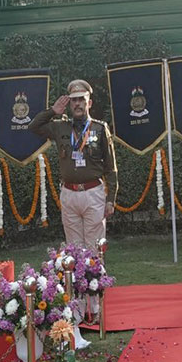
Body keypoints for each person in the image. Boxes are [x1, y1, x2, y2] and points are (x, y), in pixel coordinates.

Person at [31, 79, 119, 249]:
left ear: (89, 102)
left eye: (81, 99)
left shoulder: (100, 129)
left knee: (95, 246)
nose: (77, 104)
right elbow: (34, 127)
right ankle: (78, 276)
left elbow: (110, 166)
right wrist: (52, 111)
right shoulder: (60, 127)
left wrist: (111, 199)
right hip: (69, 194)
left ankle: (96, 276)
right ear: (70, 103)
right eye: (74, 100)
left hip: (93, 193)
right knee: (74, 247)